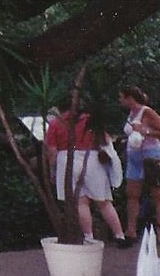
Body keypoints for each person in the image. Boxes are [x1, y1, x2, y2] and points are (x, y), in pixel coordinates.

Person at [43, 102, 130, 248]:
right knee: (103, 201)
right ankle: (119, 235)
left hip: (67, 158)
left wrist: (52, 170)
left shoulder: (56, 123)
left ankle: (89, 238)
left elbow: (52, 151)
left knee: (81, 202)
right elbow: (106, 140)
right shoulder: (90, 119)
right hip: (92, 157)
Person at [119, 85, 160, 243]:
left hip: (150, 155)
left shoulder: (147, 112)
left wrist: (145, 131)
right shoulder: (131, 113)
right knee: (132, 194)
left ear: (130, 98)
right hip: (134, 156)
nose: (120, 101)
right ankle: (131, 231)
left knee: (157, 194)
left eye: (121, 97)